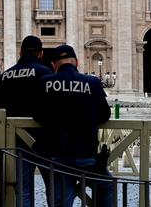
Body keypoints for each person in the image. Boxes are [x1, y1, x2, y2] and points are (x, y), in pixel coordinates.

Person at [34, 44, 113, 207]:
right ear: (76, 62)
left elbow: (37, 115)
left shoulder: (46, 82)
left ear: (54, 65)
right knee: (106, 186)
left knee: (61, 201)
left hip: (57, 156)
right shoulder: (92, 82)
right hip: (86, 155)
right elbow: (105, 114)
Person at [0, 36, 51, 207]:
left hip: (17, 141)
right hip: (44, 140)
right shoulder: (46, 73)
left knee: (23, 189)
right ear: (40, 54)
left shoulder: (5, 76)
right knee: (53, 186)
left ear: (21, 52)